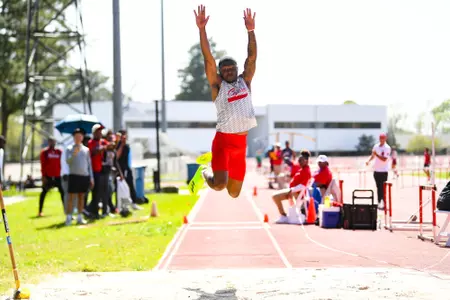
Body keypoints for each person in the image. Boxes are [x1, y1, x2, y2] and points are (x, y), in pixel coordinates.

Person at [191, 5, 258, 198]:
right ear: (221, 72)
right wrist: (202, 29)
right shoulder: (218, 86)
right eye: (225, 70)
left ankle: (219, 172)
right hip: (223, 142)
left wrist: (251, 31)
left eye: (232, 68)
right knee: (220, 185)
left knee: (234, 193)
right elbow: (208, 59)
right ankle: (205, 171)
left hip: (240, 145)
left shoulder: (245, 81)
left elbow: (252, 58)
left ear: (237, 69)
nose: (229, 72)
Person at [272, 150, 312, 224]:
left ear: (306, 161)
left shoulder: (306, 171)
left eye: (301, 161)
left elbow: (303, 185)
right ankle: (283, 216)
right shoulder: (302, 168)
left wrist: (292, 190)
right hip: (293, 191)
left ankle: (283, 216)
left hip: (296, 193)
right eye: (299, 160)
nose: (299, 162)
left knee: (275, 196)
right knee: (275, 196)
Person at [65, 128, 93, 226]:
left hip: (84, 176)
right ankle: (69, 217)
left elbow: (89, 165)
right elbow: (68, 162)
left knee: (82, 197)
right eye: (76, 136)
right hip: (73, 175)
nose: (78, 138)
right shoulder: (69, 148)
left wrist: (91, 178)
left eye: (80, 136)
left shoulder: (86, 149)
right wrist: (74, 154)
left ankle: (80, 217)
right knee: (71, 197)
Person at [85, 124, 110, 219]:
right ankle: (94, 212)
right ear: (94, 133)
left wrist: (115, 142)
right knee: (96, 192)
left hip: (102, 170)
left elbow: (111, 147)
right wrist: (103, 148)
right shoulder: (91, 142)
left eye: (101, 131)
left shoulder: (103, 141)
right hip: (94, 170)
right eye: (98, 131)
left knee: (103, 191)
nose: (100, 133)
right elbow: (94, 152)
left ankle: (101, 210)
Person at [116, 130, 142, 209]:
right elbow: (117, 156)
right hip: (119, 169)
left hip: (127, 167)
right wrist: (121, 145)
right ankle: (120, 205)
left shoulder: (127, 146)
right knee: (119, 188)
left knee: (130, 185)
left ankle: (133, 202)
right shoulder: (117, 145)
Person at [38, 137, 64, 217]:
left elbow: (62, 164)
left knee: (63, 194)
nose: (52, 143)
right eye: (50, 141)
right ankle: (40, 211)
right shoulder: (45, 152)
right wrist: (43, 177)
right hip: (48, 177)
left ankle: (66, 211)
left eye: (53, 141)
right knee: (43, 193)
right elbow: (43, 165)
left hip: (58, 177)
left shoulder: (59, 152)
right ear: (48, 142)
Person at [365, 133, 391, 210]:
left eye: (383, 138)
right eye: (380, 138)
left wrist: (377, 155)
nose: (381, 140)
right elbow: (373, 155)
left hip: (383, 171)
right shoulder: (376, 146)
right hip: (376, 171)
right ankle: (379, 201)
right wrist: (368, 160)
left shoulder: (387, 148)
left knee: (382, 188)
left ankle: (383, 202)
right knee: (378, 187)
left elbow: (384, 159)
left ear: (385, 139)